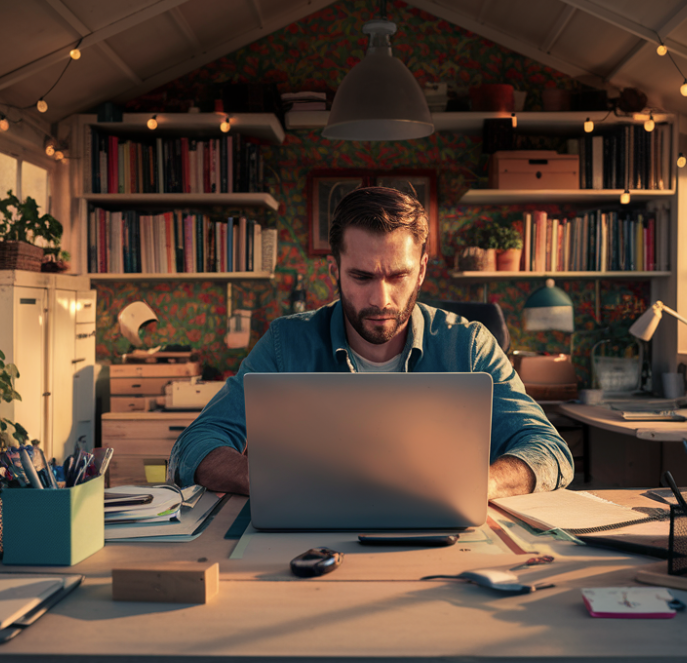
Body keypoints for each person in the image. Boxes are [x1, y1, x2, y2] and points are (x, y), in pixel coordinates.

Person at [168, 186, 573, 497]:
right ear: (335, 270)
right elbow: (195, 445)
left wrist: (475, 486)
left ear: (421, 271)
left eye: (397, 276)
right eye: (362, 277)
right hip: (308, 533)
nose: (381, 299)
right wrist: (273, 481)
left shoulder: (469, 345)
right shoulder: (284, 343)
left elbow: (548, 449)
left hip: (445, 529)